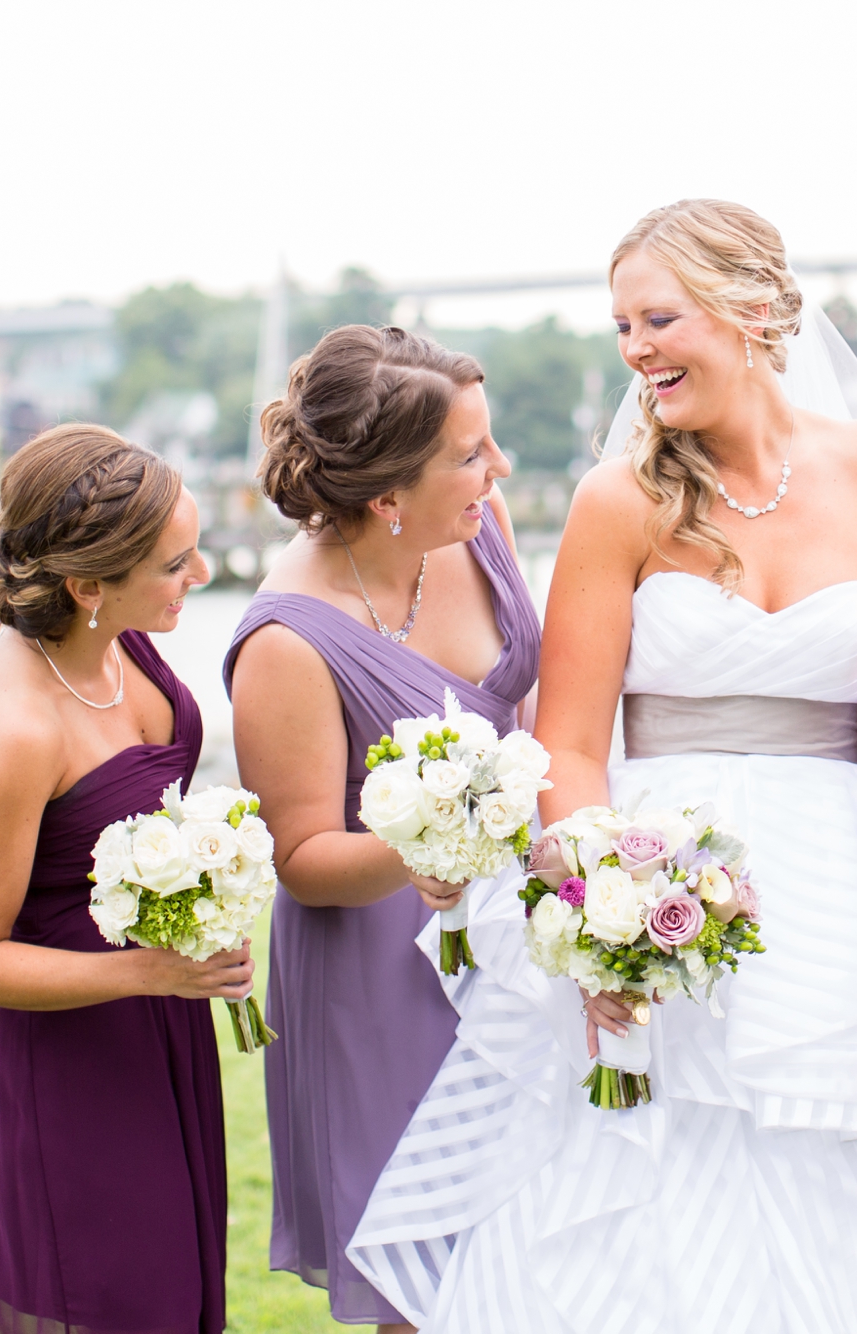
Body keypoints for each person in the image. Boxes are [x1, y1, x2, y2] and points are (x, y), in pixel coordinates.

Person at [347, 199, 857, 1332]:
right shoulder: (619, 496)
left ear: (749, 310)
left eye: (656, 317)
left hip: (837, 881)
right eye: (621, 325)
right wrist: (601, 911)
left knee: (841, 1158)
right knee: (643, 1187)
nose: (634, 349)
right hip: (658, 862)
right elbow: (574, 741)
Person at [223, 324, 537, 1334]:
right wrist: (438, 845)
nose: (498, 468)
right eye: (468, 454)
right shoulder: (288, 641)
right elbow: (304, 861)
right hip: (378, 967)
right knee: (427, 1275)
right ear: (385, 497)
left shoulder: (476, 527)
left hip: (517, 931)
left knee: (542, 1242)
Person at [0, 424, 243, 1334]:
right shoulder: (17, 729)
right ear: (86, 584)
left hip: (152, 1027)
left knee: (177, 1287)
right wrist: (153, 971)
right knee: (117, 1301)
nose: (201, 576)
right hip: (63, 1057)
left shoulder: (118, 643)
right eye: (176, 565)